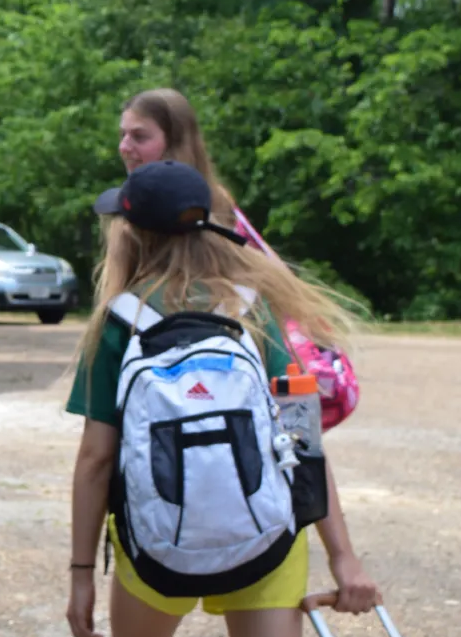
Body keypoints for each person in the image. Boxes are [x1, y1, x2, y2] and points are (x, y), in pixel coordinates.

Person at [62, 159, 380, 637]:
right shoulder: (252, 307)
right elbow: (302, 443)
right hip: (266, 534)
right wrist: (343, 556)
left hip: (156, 538)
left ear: (134, 232)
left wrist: (81, 574)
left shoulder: (120, 319)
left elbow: (96, 459)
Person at [116, 88, 362, 431]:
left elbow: (276, 279)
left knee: (298, 453)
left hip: (239, 359)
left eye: (139, 137)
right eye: (123, 135)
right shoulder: (155, 206)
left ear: (175, 142)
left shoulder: (208, 208)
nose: (125, 147)